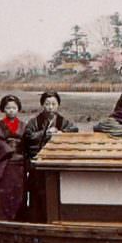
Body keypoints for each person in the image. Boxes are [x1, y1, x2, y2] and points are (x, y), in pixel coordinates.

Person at [23, 91, 79, 221]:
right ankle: (35, 221)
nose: (50, 107)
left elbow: (74, 130)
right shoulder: (34, 122)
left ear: (58, 105)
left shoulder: (62, 121)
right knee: (36, 195)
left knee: (54, 193)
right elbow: (28, 136)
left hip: (55, 165)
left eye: (53, 104)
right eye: (47, 104)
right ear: (42, 105)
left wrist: (61, 133)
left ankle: (54, 220)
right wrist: (44, 133)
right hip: (37, 165)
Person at [0, 94, 28, 221]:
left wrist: (23, 155)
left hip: (20, 165)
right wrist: (8, 149)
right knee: (4, 193)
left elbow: (28, 143)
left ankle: (18, 219)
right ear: (3, 109)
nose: (11, 110)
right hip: (5, 164)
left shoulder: (24, 126)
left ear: (18, 109)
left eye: (14, 108)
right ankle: (1, 219)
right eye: (8, 108)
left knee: (19, 193)